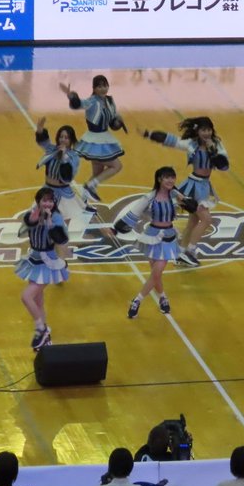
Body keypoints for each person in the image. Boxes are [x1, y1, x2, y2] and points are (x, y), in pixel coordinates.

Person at [139, 117, 229, 267]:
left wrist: (213, 151)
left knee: (193, 222)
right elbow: (171, 140)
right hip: (194, 186)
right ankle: (190, 251)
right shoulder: (191, 144)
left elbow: (224, 166)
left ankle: (180, 252)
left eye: (209, 130)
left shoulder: (217, 145)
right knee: (206, 220)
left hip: (204, 185)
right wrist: (149, 134)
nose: (206, 133)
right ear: (197, 131)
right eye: (203, 130)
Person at [114, 166, 186, 318]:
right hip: (152, 236)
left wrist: (188, 203)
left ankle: (137, 300)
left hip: (168, 236)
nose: (171, 180)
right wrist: (116, 228)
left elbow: (190, 204)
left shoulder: (175, 195)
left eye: (172, 177)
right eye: (167, 177)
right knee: (156, 274)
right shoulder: (149, 198)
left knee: (157, 272)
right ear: (159, 179)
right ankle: (163, 298)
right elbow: (134, 212)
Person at [16, 187, 69, 350]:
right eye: (44, 200)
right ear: (38, 201)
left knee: (26, 297)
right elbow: (22, 231)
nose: (48, 204)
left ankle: (41, 329)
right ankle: (46, 339)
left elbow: (62, 240)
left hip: (47, 262)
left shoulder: (57, 217)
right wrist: (32, 219)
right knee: (38, 301)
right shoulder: (32, 213)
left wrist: (51, 225)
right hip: (34, 260)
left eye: (50, 201)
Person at [61, 76, 125, 205]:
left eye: (105, 85)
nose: (103, 89)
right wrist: (71, 96)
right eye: (99, 86)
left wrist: (118, 121)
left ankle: (81, 201)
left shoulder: (110, 101)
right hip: (95, 141)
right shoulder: (91, 101)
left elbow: (113, 121)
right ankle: (90, 186)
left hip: (104, 139)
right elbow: (78, 104)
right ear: (94, 88)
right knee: (116, 166)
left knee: (97, 173)